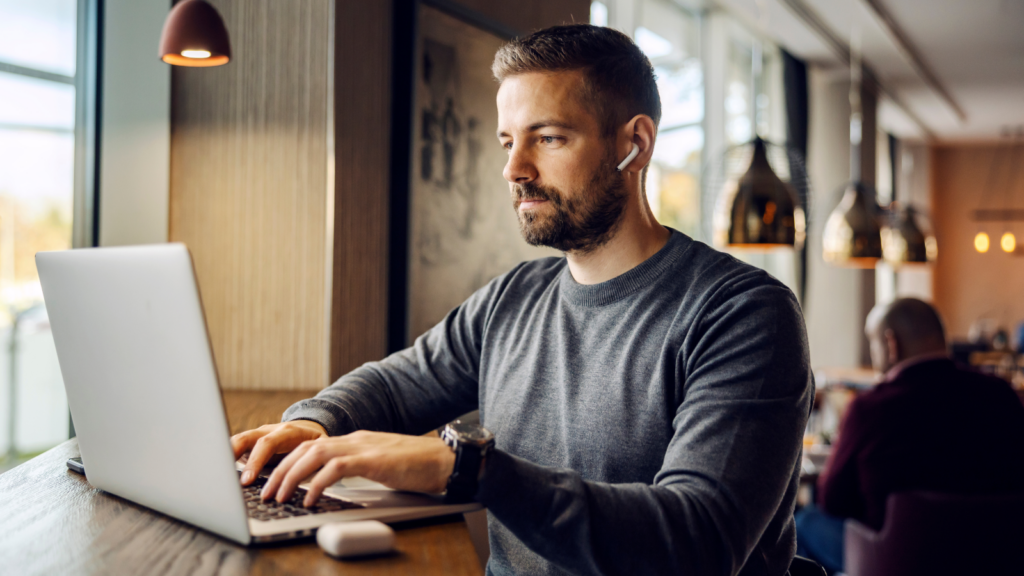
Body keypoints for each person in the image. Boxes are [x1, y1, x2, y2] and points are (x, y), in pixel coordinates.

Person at [232, 25, 812, 576]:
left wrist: (467, 469)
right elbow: (392, 385)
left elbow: (697, 542)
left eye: (549, 137)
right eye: (509, 141)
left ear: (634, 145)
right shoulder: (514, 297)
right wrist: (315, 422)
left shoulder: (743, 314)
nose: (514, 169)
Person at [796, 298, 1024, 574]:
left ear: (891, 344)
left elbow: (832, 499)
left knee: (803, 522)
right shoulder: (1001, 396)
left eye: (873, 342)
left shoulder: (871, 408)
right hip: (994, 556)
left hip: (898, 561)